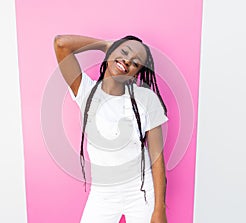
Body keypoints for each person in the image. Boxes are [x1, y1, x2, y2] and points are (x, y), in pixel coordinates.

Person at [54, 34, 168, 223]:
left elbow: (157, 160)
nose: (127, 61)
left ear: (136, 73)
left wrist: (159, 209)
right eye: (123, 52)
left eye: (135, 63)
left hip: (141, 193)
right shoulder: (86, 91)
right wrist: (104, 45)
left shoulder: (146, 99)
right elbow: (61, 44)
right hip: (102, 194)